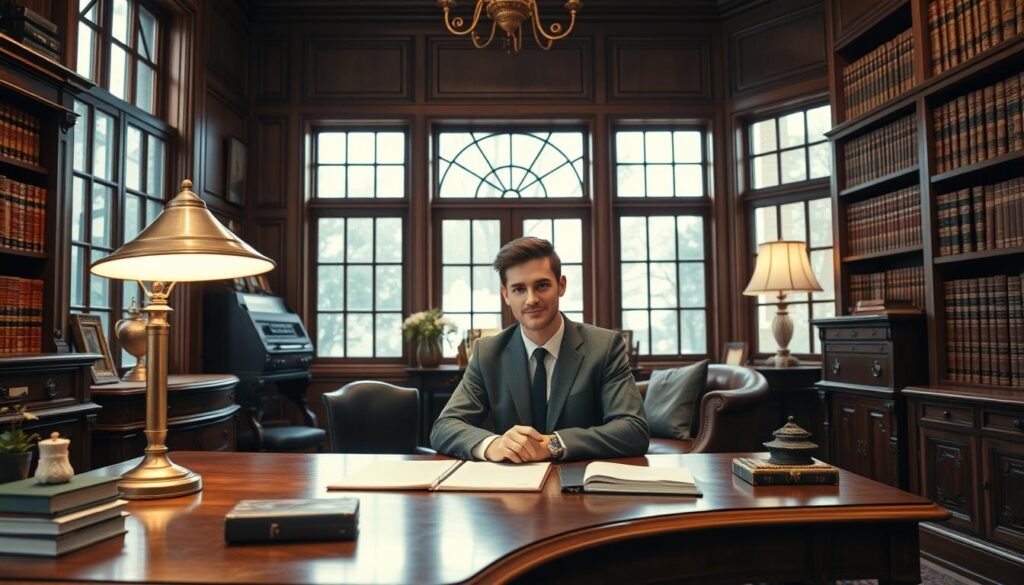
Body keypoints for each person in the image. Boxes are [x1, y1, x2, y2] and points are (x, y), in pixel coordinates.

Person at [430, 237, 649, 462]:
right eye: (519, 289)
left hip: (583, 484)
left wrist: (554, 444)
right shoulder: (488, 353)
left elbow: (633, 429)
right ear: (506, 295)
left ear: (561, 285)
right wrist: (493, 444)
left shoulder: (605, 347)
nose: (531, 299)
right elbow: (444, 427)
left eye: (541, 285)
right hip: (511, 488)